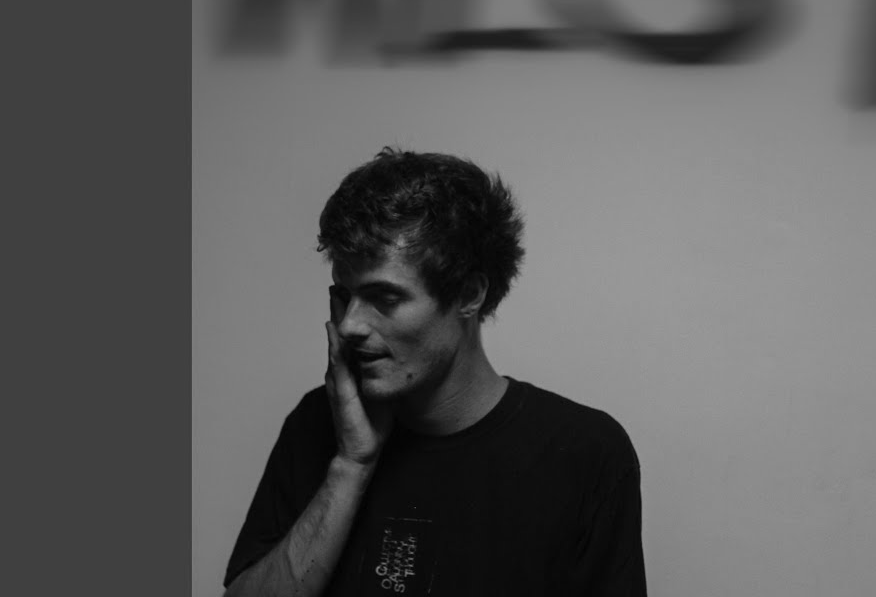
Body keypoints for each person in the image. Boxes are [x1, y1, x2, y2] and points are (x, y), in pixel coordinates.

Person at [223, 147, 646, 597]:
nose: (349, 326)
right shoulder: (317, 423)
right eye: (344, 297)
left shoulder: (583, 453)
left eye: (384, 298)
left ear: (469, 294)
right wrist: (350, 465)